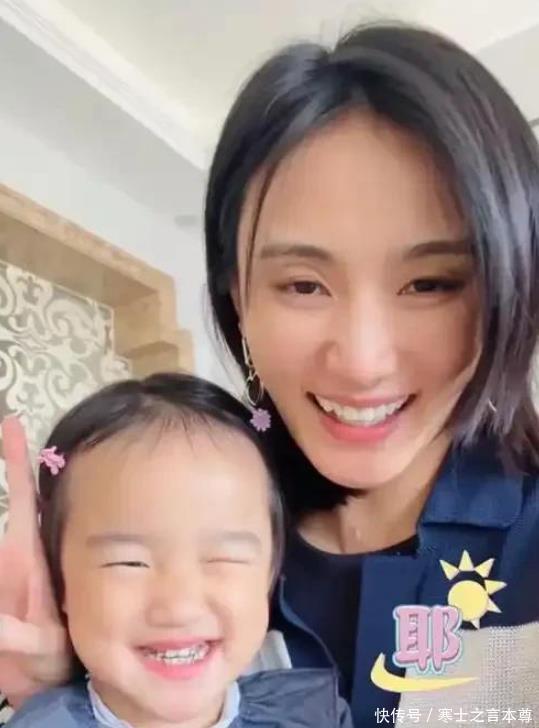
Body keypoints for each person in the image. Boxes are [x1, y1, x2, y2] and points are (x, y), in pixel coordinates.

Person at [0, 20, 539, 728]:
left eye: (431, 284)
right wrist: (67, 691)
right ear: (239, 300)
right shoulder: (180, 519)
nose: (362, 361)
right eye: (303, 285)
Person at [4, 373, 351, 727]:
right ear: (59, 579)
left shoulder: (312, 715)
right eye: (129, 562)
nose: (179, 608)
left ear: (270, 570)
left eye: (225, 557)